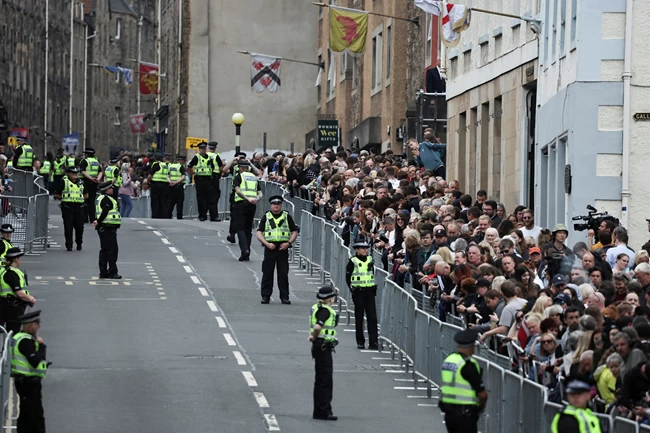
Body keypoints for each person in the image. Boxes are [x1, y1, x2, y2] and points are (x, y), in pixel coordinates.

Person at [439, 328, 487, 433]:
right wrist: (481, 407)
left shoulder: (449, 359)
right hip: (465, 414)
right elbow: (482, 394)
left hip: (449, 412)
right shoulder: (468, 364)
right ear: (472, 346)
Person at [11, 310, 48, 433]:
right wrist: (42, 346)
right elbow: (35, 361)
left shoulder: (17, 337)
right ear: (31, 324)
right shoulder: (25, 341)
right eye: (37, 324)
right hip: (28, 383)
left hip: (25, 381)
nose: (39, 327)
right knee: (33, 416)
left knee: (30, 414)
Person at [256, 195, 298, 304]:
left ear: (281, 205)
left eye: (278, 204)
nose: (276, 206)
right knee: (267, 273)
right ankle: (265, 296)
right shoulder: (266, 216)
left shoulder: (286, 216)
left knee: (283, 274)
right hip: (270, 248)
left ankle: (284, 297)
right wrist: (266, 243)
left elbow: (294, 231)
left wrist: (288, 243)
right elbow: (259, 232)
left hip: (282, 249)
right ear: (271, 205)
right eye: (274, 204)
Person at [309, 285, 339, 421]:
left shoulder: (317, 308)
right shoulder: (325, 311)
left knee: (320, 379)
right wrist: (314, 336)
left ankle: (318, 410)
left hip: (318, 346)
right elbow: (317, 327)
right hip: (323, 347)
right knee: (325, 380)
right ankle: (324, 410)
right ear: (330, 299)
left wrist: (313, 338)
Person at [346, 241, 379, 350]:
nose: (365, 250)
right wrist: (352, 289)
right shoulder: (352, 261)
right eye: (362, 248)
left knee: (372, 318)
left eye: (366, 248)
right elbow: (348, 277)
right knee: (359, 317)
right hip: (358, 292)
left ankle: (373, 341)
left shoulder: (370, 260)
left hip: (369, 291)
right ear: (356, 250)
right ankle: (360, 341)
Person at [0, 248, 36, 334]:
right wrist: (30, 299)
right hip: (13, 308)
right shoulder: (11, 273)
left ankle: (7, 347)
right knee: (13, 334)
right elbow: (19, 293)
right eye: (20, 258)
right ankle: (10, 347)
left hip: (7, 304)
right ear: (16, 259)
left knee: (9, 335)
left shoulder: (8, 271)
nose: (21, 260)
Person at [232, 160, 261, 261]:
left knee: (240, 228)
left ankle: (244, 250)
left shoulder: (239, 176)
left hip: (241, 204)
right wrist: (255, 199)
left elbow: (237, 190)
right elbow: (260, 193)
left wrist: (247, 198)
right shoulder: (254, 178)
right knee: (248, 229)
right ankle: (247, 252)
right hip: (252, 205)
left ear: (240, 168)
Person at [53, 167, 87, 251]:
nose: (75, 174)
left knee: (79, 227)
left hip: (79, 207)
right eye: (73, 173)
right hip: (68, 207)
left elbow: (86, 195)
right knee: (68, 227)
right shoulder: (64, 181)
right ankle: (69, 245)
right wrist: (66, 198)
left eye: (76, 173)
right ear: (68, 173)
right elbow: (56, 195)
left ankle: (79, 243)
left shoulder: (81, 182)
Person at [93, 182, 122, 279]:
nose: (112, 190)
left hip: (104, 228)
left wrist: (97, 221)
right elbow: (105, 212)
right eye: (111, 188)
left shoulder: (100, 198)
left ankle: (103, 272)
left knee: (104, 250)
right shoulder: (106, 200)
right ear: (107, 190)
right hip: (107, 227)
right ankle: (112, 272)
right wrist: (99, 222)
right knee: (112, 250)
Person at [187, 143, 217, 221]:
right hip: (200, 179)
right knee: (201, 198)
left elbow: (212, 167)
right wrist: (193, 173)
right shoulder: (197, 157)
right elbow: (189, 167)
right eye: (202, 149)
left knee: (211, 198)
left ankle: (213, 216)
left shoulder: (209, 157)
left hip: (208, 179)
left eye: (204, 149)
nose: (203, 150)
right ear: (200, 149)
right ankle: (202, 216)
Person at [79, 148, 102, 223]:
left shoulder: (84, 161)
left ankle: (85, 218)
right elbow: (101, 172)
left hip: (86, 182)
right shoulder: (96, 161)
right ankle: (92, 218)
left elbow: (82, 171)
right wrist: (97, 179)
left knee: (84, 200)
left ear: (87, 154)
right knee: (92, 201)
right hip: (94, 183)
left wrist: (90, 178)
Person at [148, 153, 169, 219]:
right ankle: (163, 215)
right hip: (165, 184)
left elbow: (150, 175)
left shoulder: (156, 164)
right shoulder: (165, 165)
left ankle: (155, 215)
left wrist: (148, 181)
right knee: (163, 201)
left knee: (155, 201)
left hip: (156, 184)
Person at [207, 142, 224, 221]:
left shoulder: (205, 155)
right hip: (214, 178)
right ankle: (214, 216)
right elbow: (221, 168)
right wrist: (222, 173)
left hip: (206, 177)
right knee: (214, 197)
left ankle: (203, 215)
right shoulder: (216, 156)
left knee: (205, 197)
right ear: (215, 148)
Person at [167, 154, 187, 219]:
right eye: (183, 160)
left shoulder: (171, 166)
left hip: (171, 187)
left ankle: (168, 216)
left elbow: (167, 176)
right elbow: (183, 177)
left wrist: (170, 181)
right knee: (179, 203)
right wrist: (176, 182)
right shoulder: (181, 167)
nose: (184, 162)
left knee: (170, 202)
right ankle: (179, 217)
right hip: (179, 187)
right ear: (180, 160)